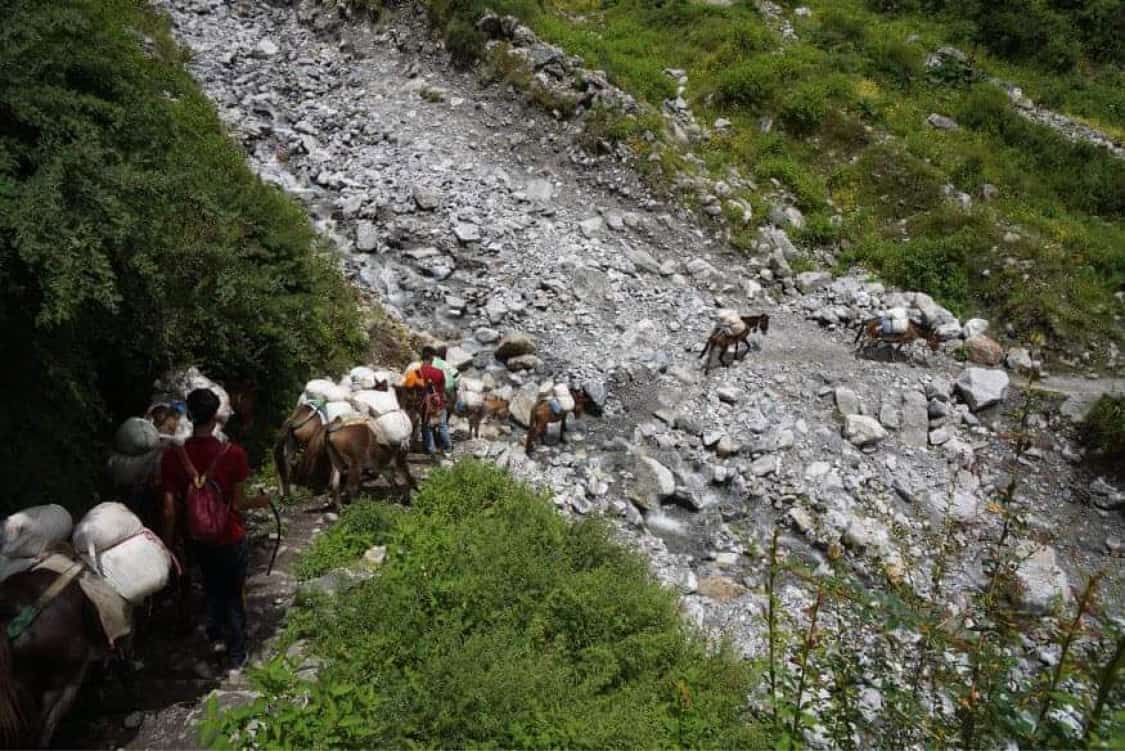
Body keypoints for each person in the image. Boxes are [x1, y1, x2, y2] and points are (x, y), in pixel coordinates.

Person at [160, 387, 269, 670]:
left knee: (210, 586)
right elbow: (240, 503)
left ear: (189, 415)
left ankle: (215, 637)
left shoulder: (174, 457)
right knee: (233, 593)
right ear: (216, 417)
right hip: (229, 535)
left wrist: (169, 545)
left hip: (196, 537)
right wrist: (264, 500)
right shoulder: (233, 454)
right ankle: (236, 654)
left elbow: (169, 509)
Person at [419, 346, 452, 457]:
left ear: (422, 359)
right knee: (442, 426)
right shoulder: (439, 372)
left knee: (426, 427)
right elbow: (443, 388)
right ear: (432, 359)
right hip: (439, 403)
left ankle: (431, 449)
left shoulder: (418, 372)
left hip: (425, 405)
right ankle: (448, 448)